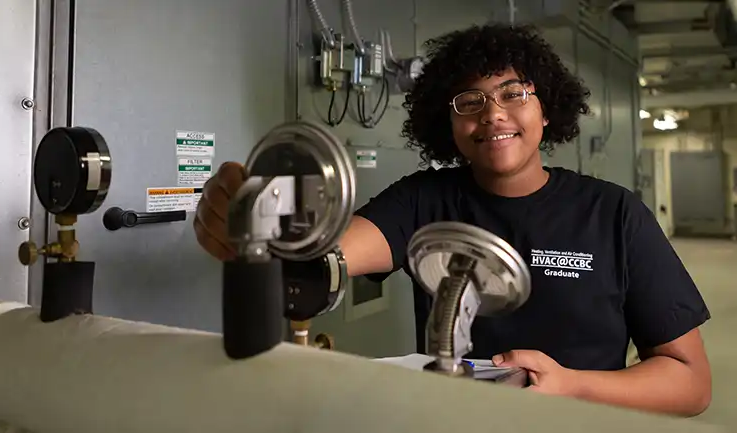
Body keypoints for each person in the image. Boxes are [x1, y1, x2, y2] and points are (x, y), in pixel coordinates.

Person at [194, 23, 712, 417]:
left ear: (547, 109)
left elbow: (690, 383)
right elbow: (326, 255)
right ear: (449, 123)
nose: (492, 114)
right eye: (471, 101)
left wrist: (574, 385)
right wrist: (258, 230)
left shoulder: (615, 213)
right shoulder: (424, 201)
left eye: (514, 93)